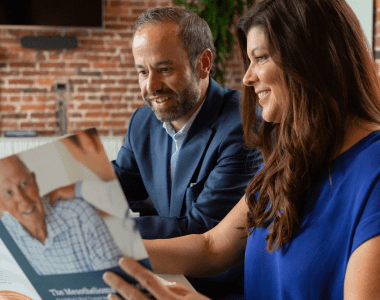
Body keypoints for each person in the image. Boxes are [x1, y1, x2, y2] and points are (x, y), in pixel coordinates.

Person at [102, 0, 380, 299]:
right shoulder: (289, 157)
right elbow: (213, 247)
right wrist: (108, 254)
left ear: (313, 60)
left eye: (260, 58)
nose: (247, 77)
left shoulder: (372, 170)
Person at [49, 6, 262, 299]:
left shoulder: (243, 125)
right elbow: (120, 182)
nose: (151, 86)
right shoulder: (143, 121)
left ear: (203, 63)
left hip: (215, 289)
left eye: (164, 69)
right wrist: (55, 199)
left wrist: (101, 231)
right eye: (142, 71)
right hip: (159, 275)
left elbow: (201, 229)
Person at [0, 155, 122, 275]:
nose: (24, 200)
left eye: (24, 184)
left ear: (34, 181)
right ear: (1, 205)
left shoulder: (78, 213)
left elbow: (114, 278)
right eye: (8, 192)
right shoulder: (5, 235)